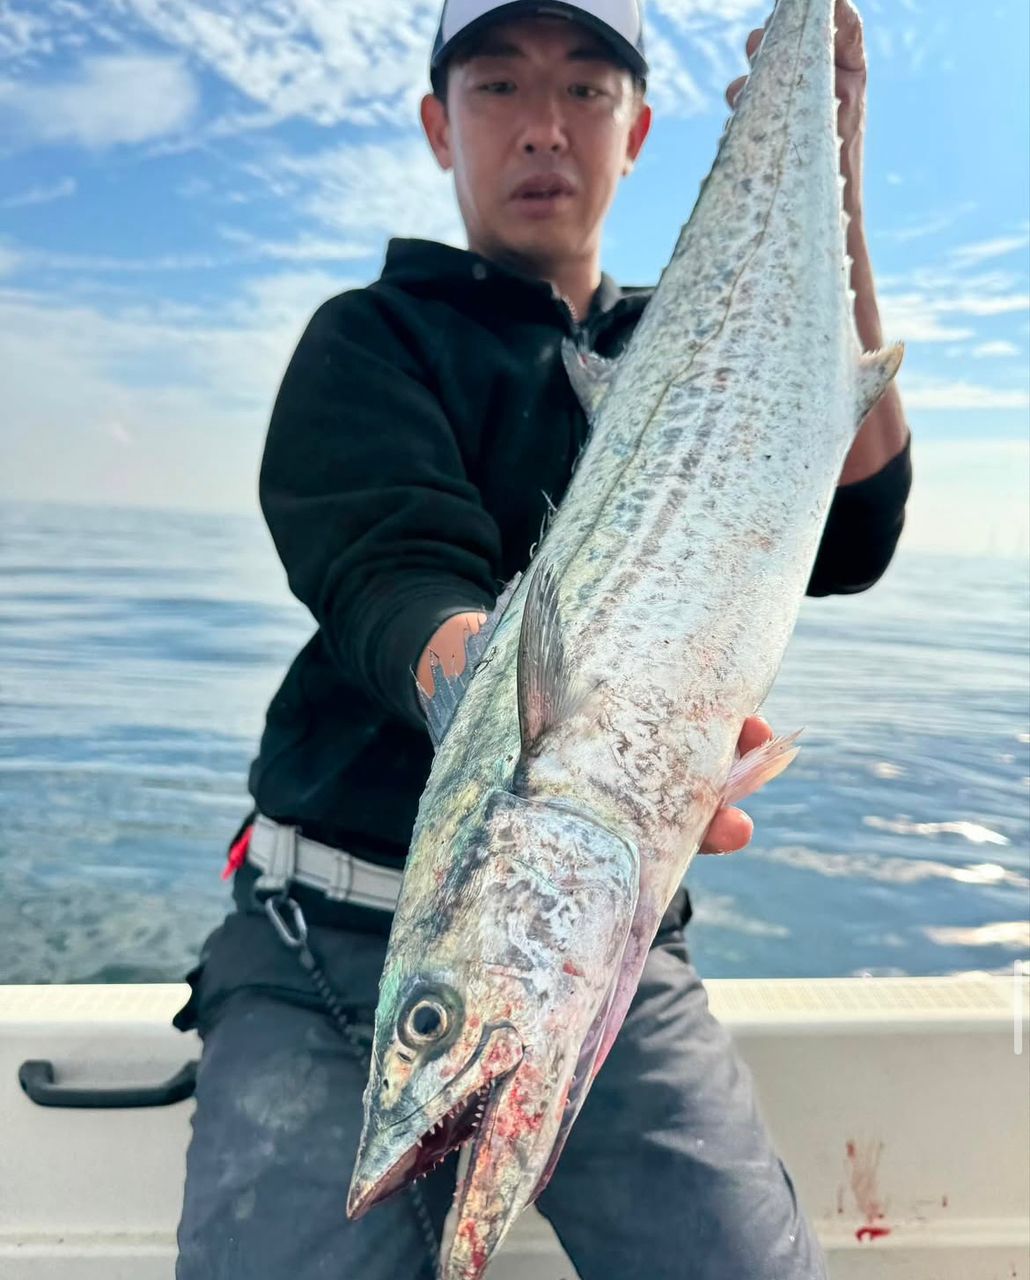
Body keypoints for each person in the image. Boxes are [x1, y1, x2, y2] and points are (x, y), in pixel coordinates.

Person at [173, 2, 912, 1277]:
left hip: (610, 951)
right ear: (435, 123)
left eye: (583, 89)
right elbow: (390, 568)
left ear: (635, 130)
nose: (542, 127)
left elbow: (855, 526)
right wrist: (517, 709)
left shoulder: (687, 339)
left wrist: (828, 156)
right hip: (319, 944)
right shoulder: (369, 338)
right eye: (498, 86)